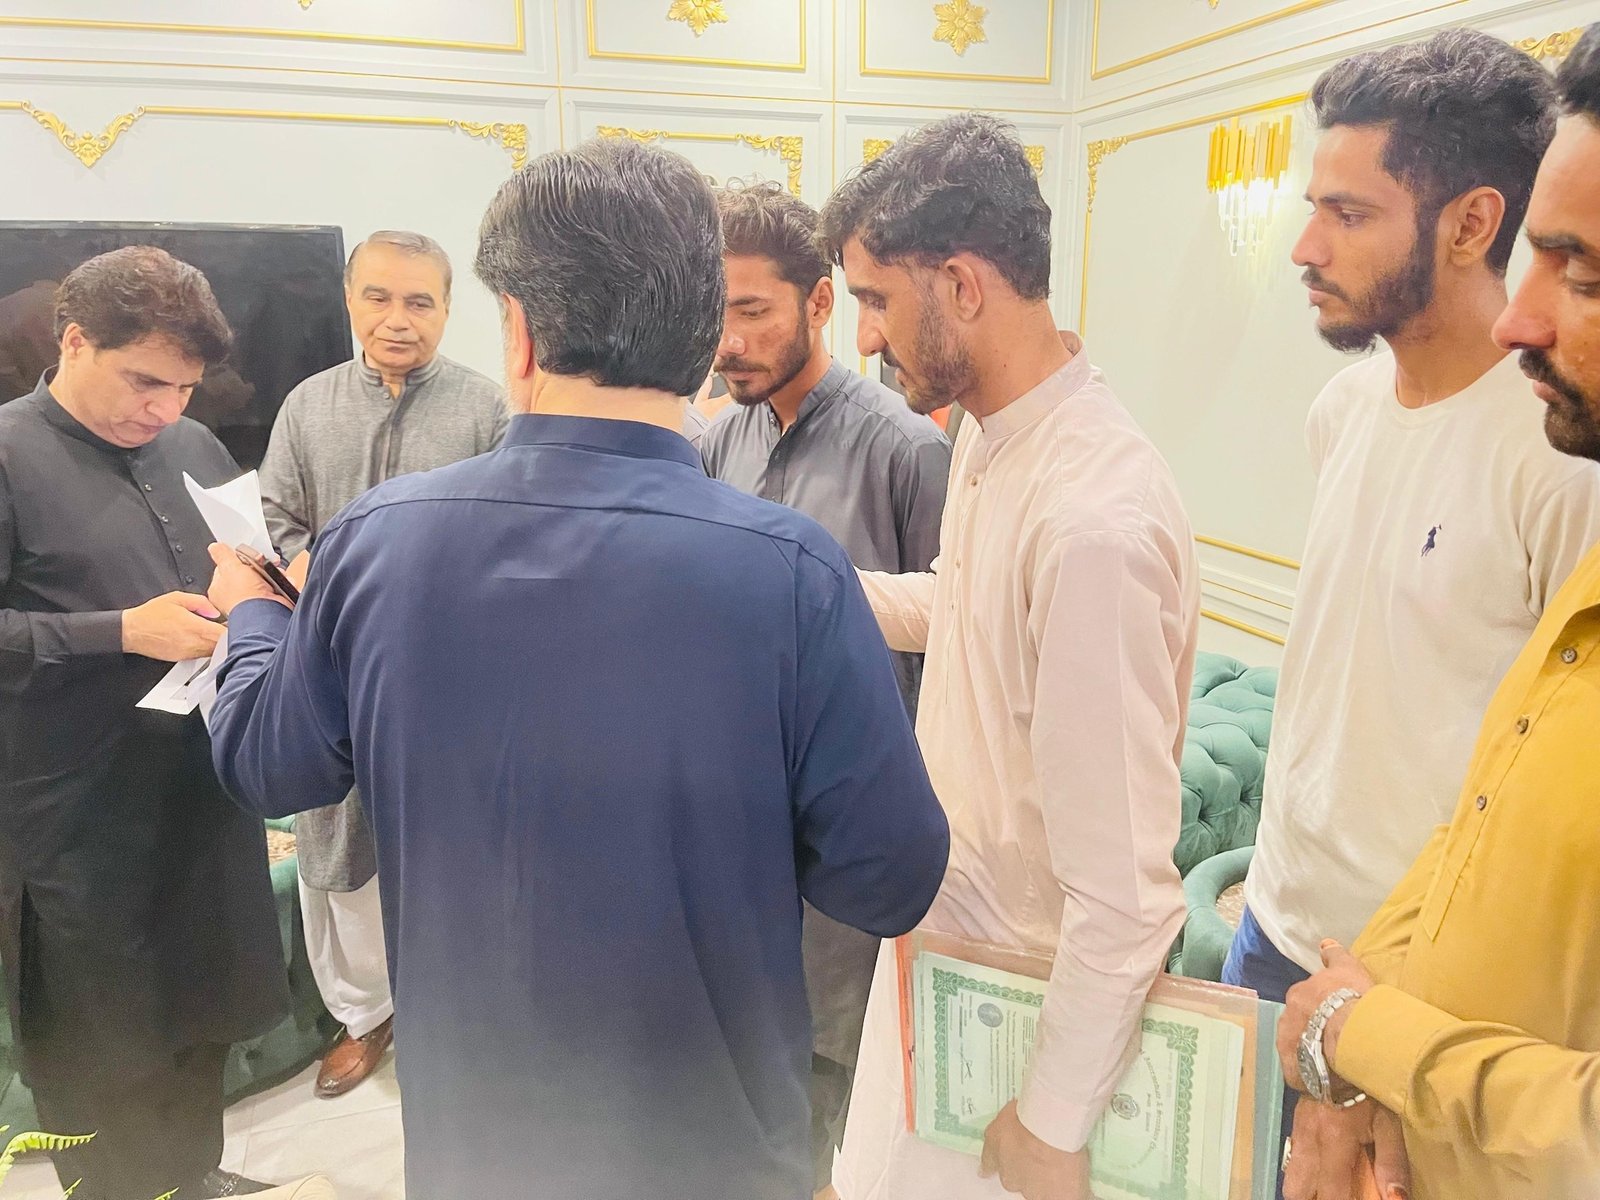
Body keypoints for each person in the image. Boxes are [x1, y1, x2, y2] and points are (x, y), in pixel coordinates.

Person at [204, 136, 951, 1200]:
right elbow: (890, 874)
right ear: (699, 332)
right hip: (716, 1141)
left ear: (516, 330)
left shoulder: (375, 544)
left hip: (480, 1138)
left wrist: (249, 615)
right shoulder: (792, 570)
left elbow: (267, 765)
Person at [1225, 29, 1600, 1184]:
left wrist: (1375, 1033)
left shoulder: (1560, 461)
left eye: (1347, 213)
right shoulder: (1340, 411)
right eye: (1312, 208)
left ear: (1470, 223)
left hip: (1412, 1000)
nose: (1304, 247)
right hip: (1272, 924)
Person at [823, 113, 1200, 1200]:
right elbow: (966, 607)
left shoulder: (1093, 523)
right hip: (946, 953)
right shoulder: (991, 431)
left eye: (875, 301)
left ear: (961, 285)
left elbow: (1126, 896)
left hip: (1025, 1025)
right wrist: (802, 588)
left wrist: (1049, 1119)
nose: (864, 339)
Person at [0, 247, 326, 1200]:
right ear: (74, 341)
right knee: (103, 1035)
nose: (165, 409)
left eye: (185, 388)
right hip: (72, 810)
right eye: (145, 381)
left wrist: (272, 593)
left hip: (198, 785)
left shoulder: (194, 448)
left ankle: (192, 1176)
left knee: (203, 1009)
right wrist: (119, 631)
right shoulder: (10, 454)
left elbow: (235, 564)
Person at [700, 180, 951, 1193]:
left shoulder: (907, 449)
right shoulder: (718, 440)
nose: (728, 343)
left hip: (850, 837)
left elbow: (952, 646)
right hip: (733, 822)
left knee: (831, 1077)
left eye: (752, 312)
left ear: (818, 303)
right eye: (714, 314)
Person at [258, 229, 507, 1099]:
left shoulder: (486, 410)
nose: (398, 319)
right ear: (350, 299)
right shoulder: (307, 405)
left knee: (447, 842)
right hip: (329, 664)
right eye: (379, 297)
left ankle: (452, 1005)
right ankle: (363, 1016)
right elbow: (278, 516)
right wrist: (310, 577)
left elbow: (506, 530)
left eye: (419, 302)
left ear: (447, 309)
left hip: (446, 673)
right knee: (338, 845)